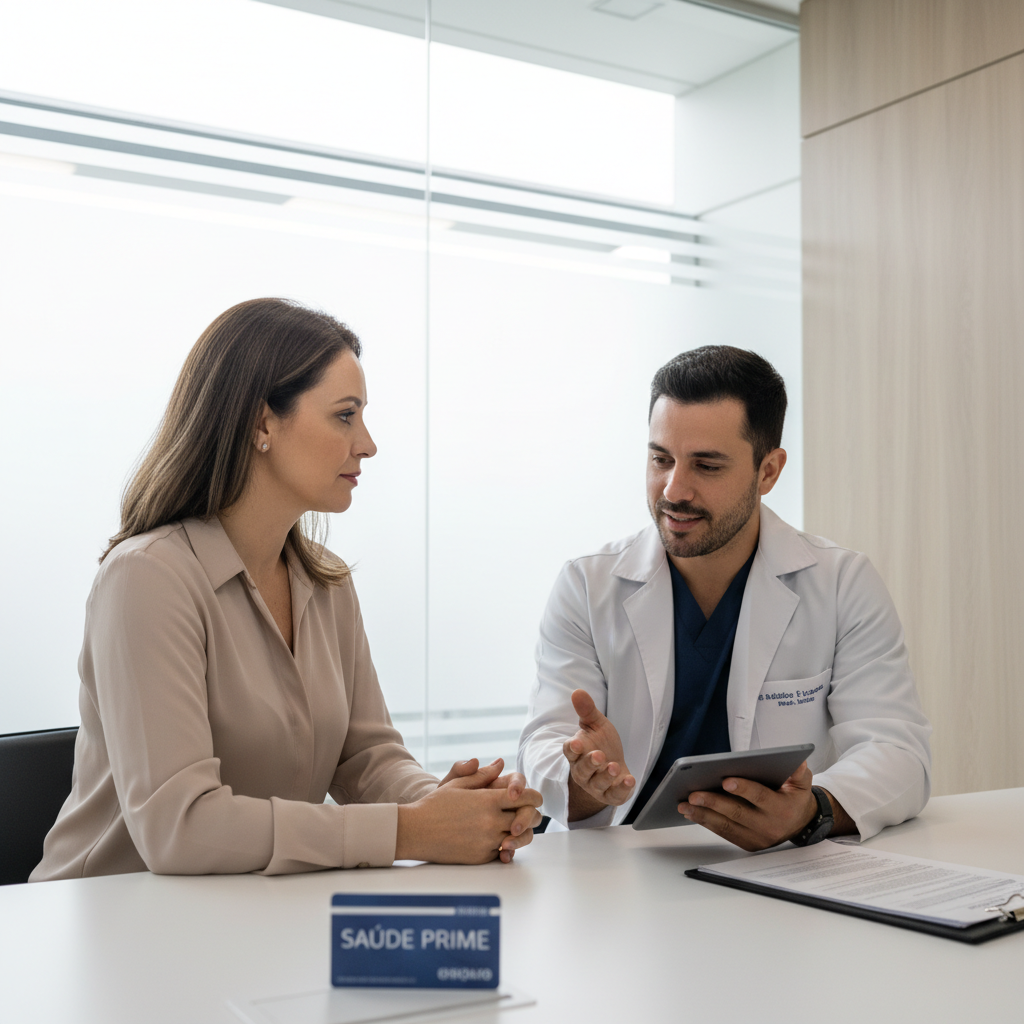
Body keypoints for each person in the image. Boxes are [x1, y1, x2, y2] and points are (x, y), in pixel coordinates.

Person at [32, 298, 541, 880]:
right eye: (345, 415)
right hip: (109, 930)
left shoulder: (326, 581)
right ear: (262, 422)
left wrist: (452, 807)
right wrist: (413, 829)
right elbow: (181, 828)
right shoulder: (147, 578)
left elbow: (365, 758)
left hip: (249, 920)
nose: (368, 443)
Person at [518, 346, 931, 849]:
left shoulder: (842, 582)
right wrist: (587, 783)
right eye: (660, 459)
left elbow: (897, 750)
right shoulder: (587, 586)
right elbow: (544, 749)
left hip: (778, 868)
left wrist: (809, 810)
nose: (675, 490)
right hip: (622, 869)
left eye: (706, 466)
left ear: (768, 472)